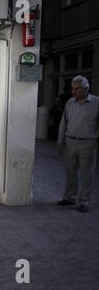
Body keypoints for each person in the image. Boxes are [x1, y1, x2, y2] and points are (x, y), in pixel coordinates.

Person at [57, 76, 99, 213]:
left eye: (77, 89)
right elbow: (64, 122)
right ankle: (69, 197)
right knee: (70, 171)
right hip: (70, 141)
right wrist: (60, 141)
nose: (73, 92)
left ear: (86, 89)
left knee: (87, 173)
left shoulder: (96, 103)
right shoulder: (70, 102)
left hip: (88, 142)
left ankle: (84, 201)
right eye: (72, 89)